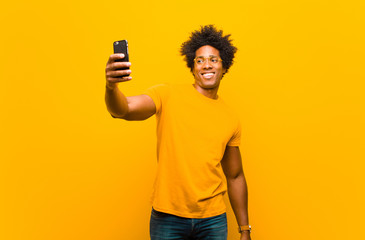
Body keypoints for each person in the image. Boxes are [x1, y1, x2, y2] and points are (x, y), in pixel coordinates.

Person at [105, 25, 252, 240]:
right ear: (192, 68)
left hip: (213, 219)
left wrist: (245, 229)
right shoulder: (167, 94)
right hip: (168, 218)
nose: (207, 65)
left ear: (224, 66)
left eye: (213, 59)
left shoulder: (231, 117)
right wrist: (111, 88)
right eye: (200, 60)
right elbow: (123, 110)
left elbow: (235, 175)